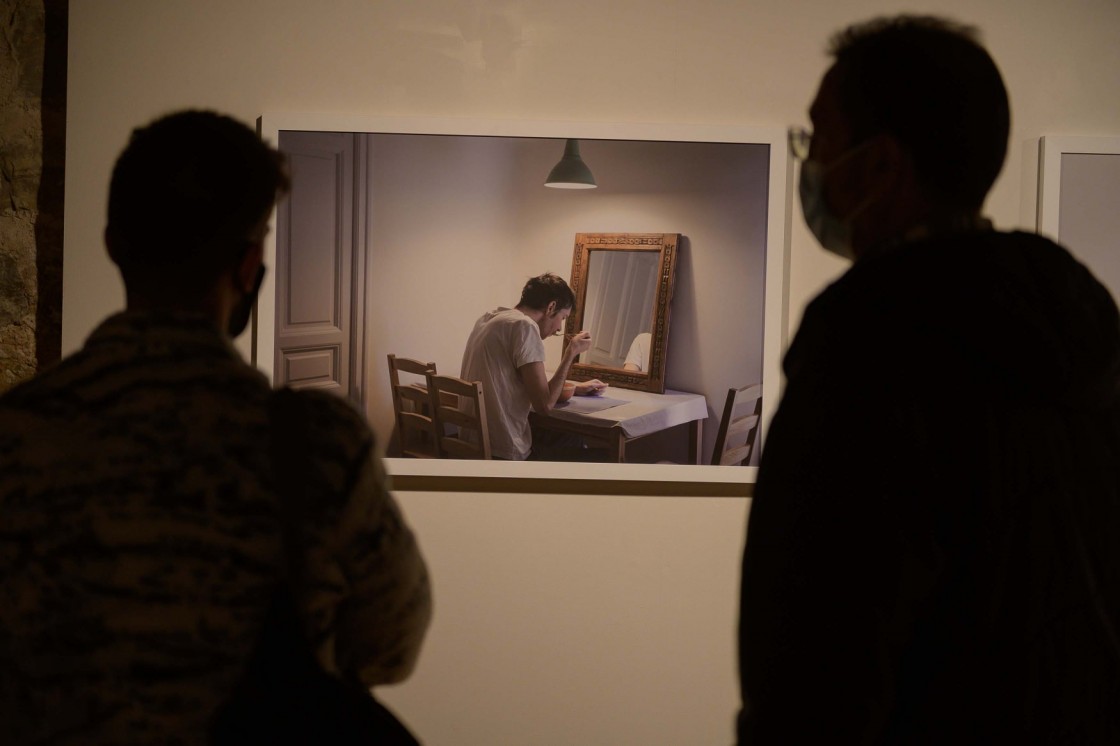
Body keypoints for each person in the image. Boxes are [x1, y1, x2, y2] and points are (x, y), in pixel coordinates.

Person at [738, 15, 1120, 744]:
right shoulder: (1075, 322)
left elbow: (818, 642)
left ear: (881, 167)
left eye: (817, 137)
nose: (810, 162)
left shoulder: (868, 338)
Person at [0, 110, 431, 743]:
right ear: (249, 263)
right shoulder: (315, 443)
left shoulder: (17, 432)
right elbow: (390, 645)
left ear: (114, 243)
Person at [460, 273, 605, 460]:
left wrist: (575, 388)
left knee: (570, 437)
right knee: (601, 456)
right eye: (563, 317)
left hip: (472, 444)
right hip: (502, 453)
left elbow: (515, 384)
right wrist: (571, 353)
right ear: (551, 307)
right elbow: (544, 405)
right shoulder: (524, 327)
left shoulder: (489, 319)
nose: (560, 328)